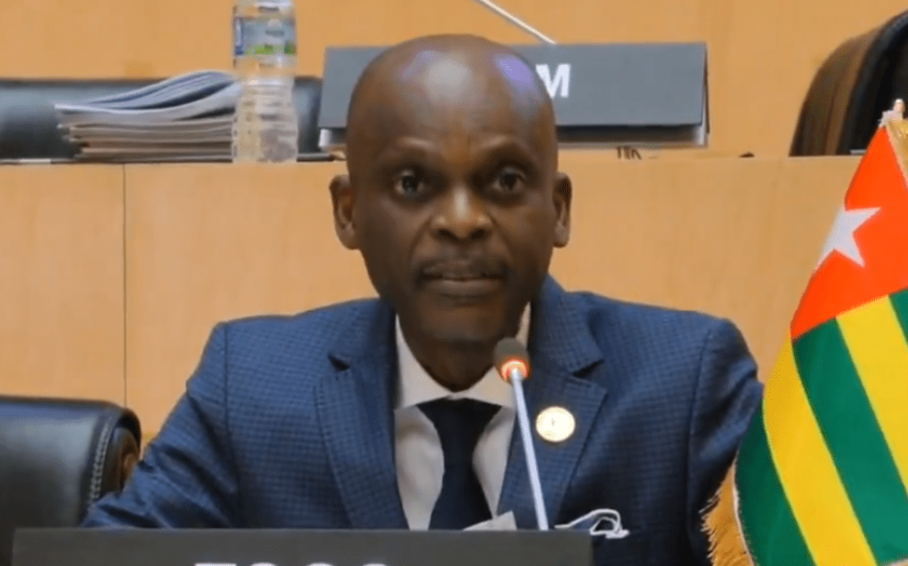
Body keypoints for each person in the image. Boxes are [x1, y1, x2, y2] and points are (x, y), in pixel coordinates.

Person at [82, 34, 763, 566]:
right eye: (413, 184)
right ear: (349, 213)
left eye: (504, 182)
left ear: (558, 209)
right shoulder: (253, 386)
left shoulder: (682, 383)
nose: (462, 221)